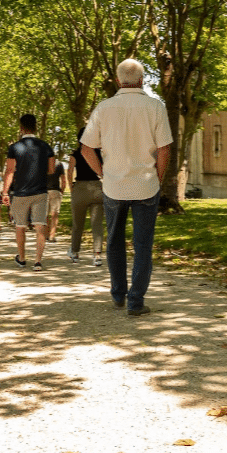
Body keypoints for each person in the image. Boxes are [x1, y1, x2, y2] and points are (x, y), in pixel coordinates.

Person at [81, 58, 172, 317]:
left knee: (114, 241)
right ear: (142, 80)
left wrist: (102, 173)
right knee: (143, 245)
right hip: (146, 183)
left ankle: (118, 294)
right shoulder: (155, 106)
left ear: (118, 80)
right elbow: (164, 148)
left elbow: (87, 148)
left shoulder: (104, 108)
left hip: (114, 185)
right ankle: (136, 302)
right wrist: (159, 176)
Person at [2, 114, 55, 271]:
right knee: (40, 226)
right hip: (40, 191)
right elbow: (51, 170)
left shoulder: (15, 148)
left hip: (20, 193)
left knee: (20, 226)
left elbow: (10, 171)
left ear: (21, 127)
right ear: (36, 127)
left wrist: (5, 192)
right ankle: (38, 261)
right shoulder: (46, 147)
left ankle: (22, 258)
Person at [66, 127, 105, 267]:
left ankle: (75, 253)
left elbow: (69, 172)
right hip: (97, 188)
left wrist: (71, 188)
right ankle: (97, 255)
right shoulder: (100, 153)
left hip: (80, 188)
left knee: (78, 224)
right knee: (97, 224)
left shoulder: (75, 154)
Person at [45, 159, 66, 242]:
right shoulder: (59, 164)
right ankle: (52, 236)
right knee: (55, 214)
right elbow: (63, 180)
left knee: (45, 215)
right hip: (55, 191)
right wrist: (62, 191)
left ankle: (46, 234)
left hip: (44, 192)